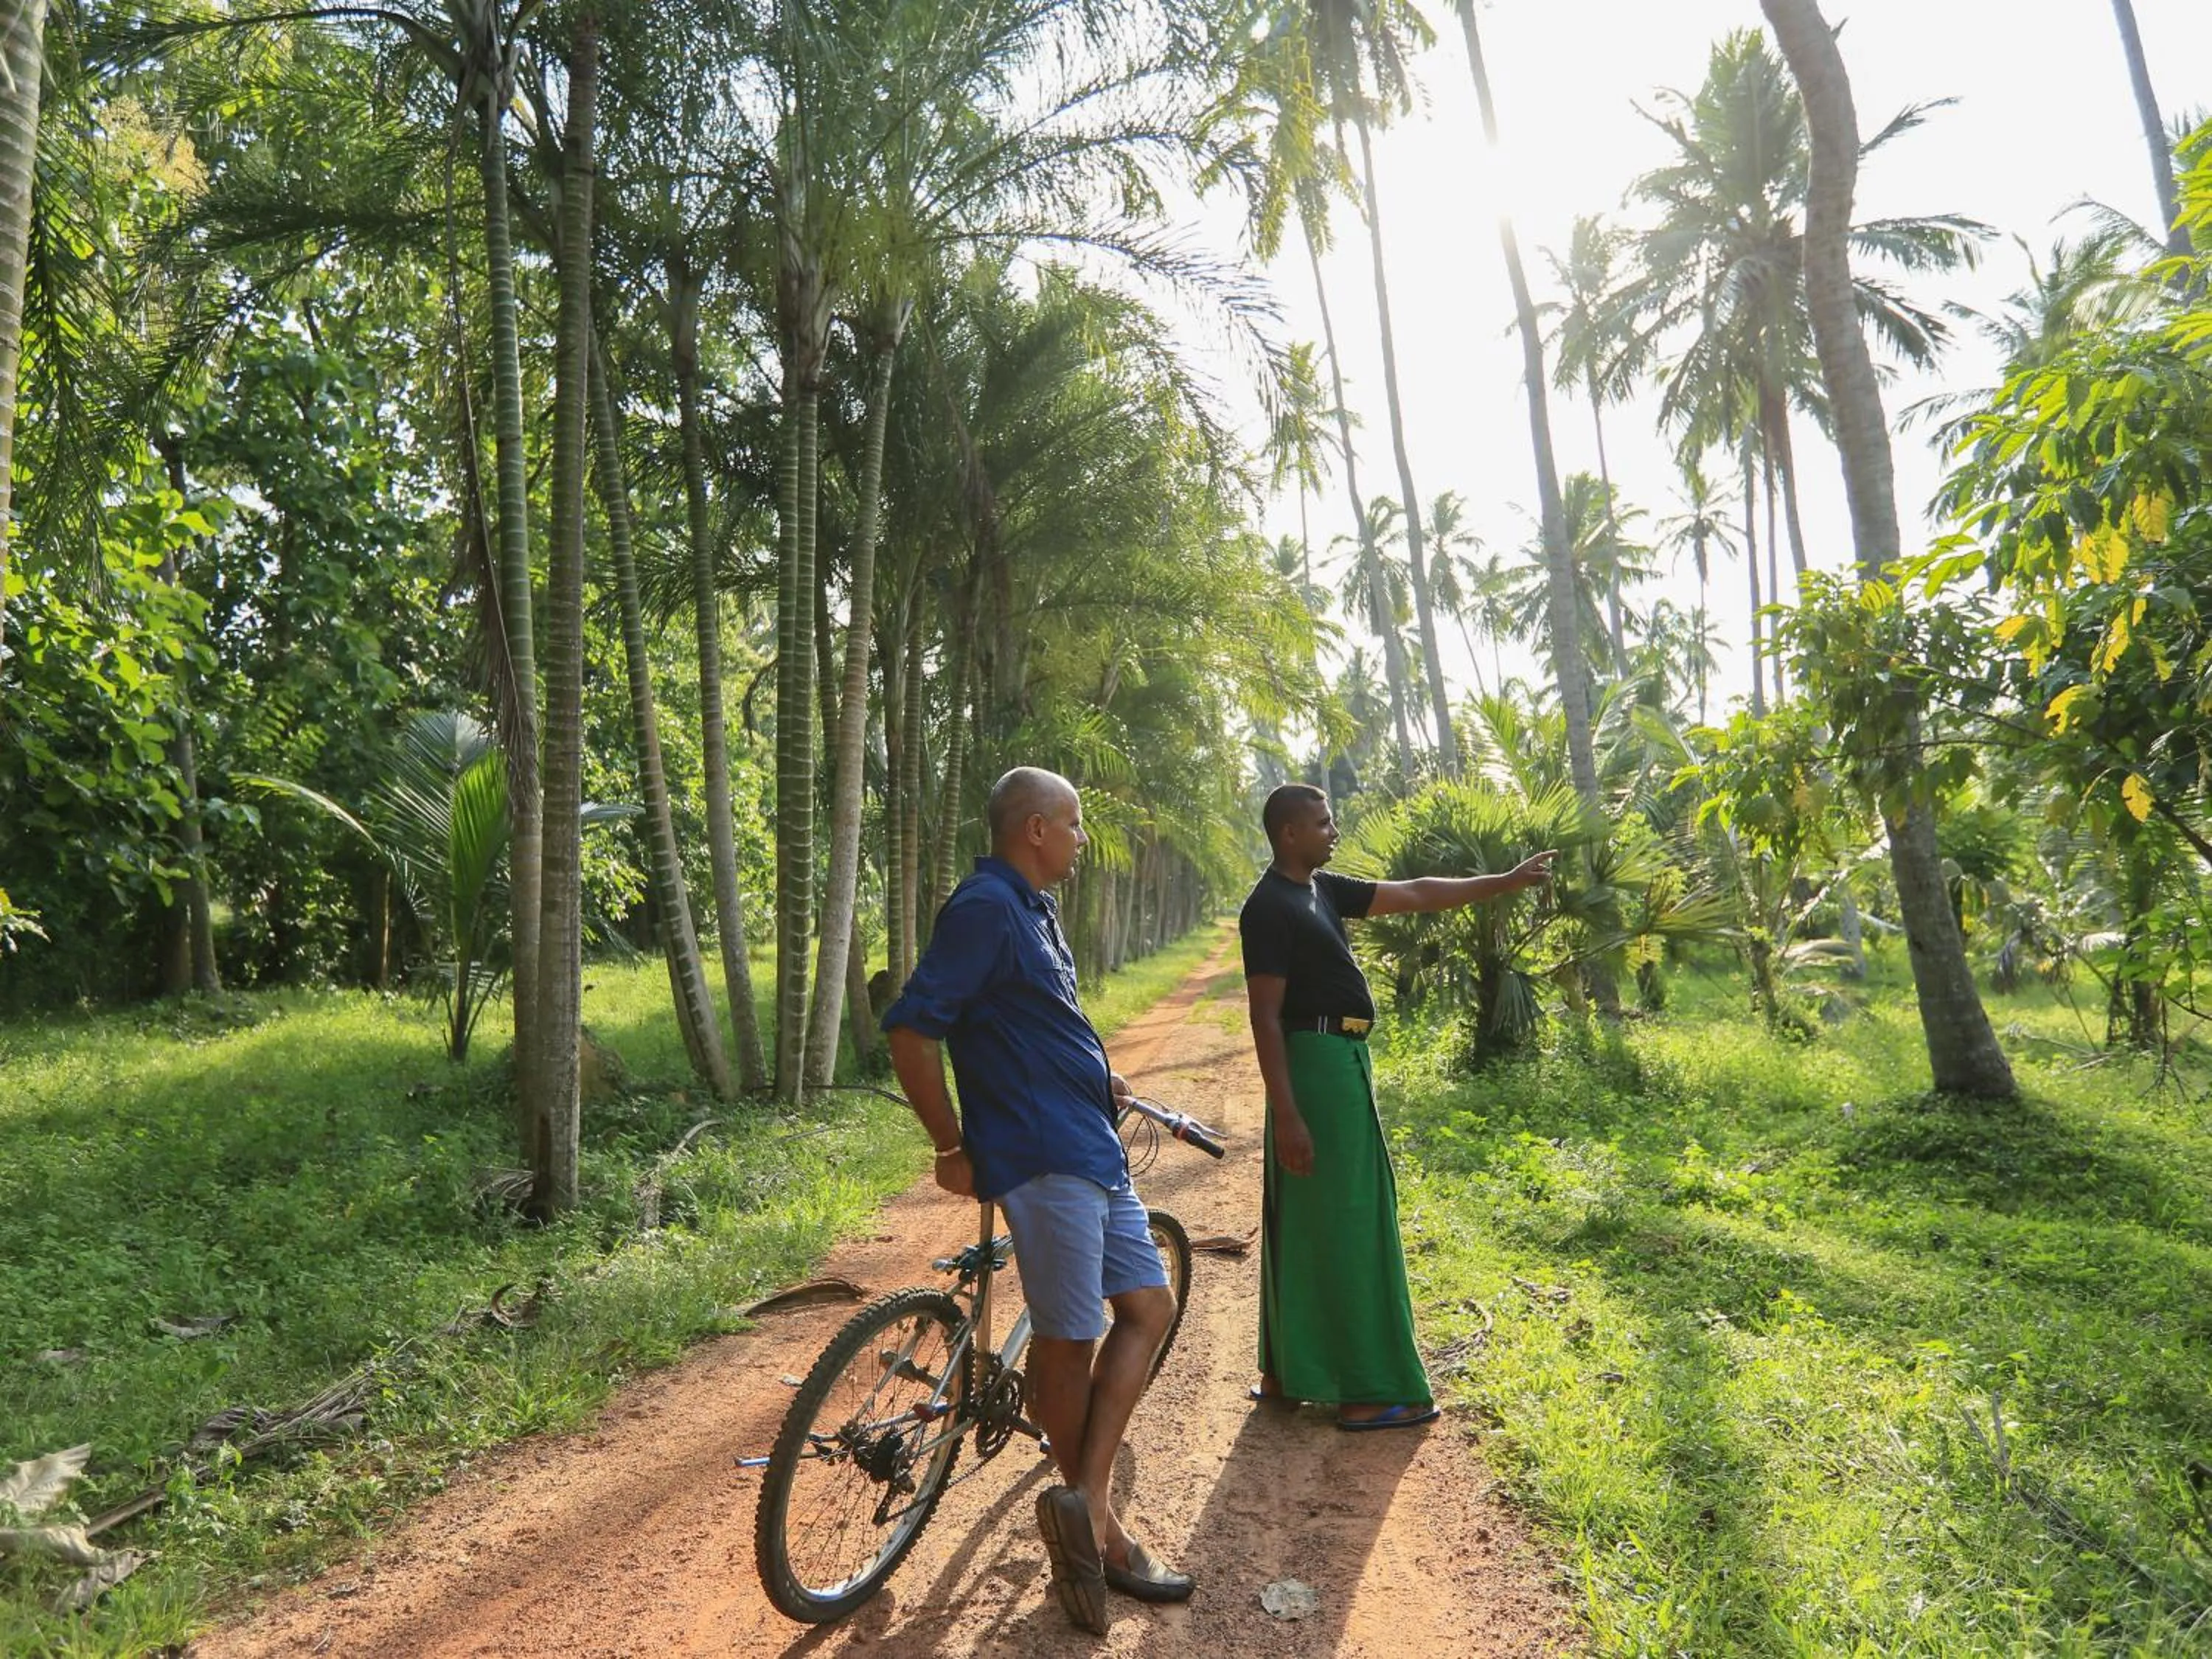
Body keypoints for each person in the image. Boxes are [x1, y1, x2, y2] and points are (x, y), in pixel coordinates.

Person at [881, 766, 1193, 1635]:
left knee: (1148, 1305)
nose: (1084, 840)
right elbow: (913, 1029)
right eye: (1075, 825)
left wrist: (1098, 1073)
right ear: (1035, 830)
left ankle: (1084, 1504)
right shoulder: (984, 909)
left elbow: (1029, 1018)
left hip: (1089, 1146)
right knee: (1068, 1333)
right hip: (1042, 1154)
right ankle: (1101, 1532)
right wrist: (951, 1146)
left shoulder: (1032, 908)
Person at [1239, 782, 1554, 1428]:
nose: (1335, 831)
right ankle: (1369, 1388)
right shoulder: (1267, 906)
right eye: (1324, 823)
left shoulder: (1320, 891)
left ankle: (1288, 1373)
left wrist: (1502, 881)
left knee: (1309, 1214)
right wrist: (1290, 1114)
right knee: (1354, 1218)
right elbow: (1265, 1018)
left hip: (1337, 1063)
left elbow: (1416, 894)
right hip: (1316, 1070)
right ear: (1290, 833)